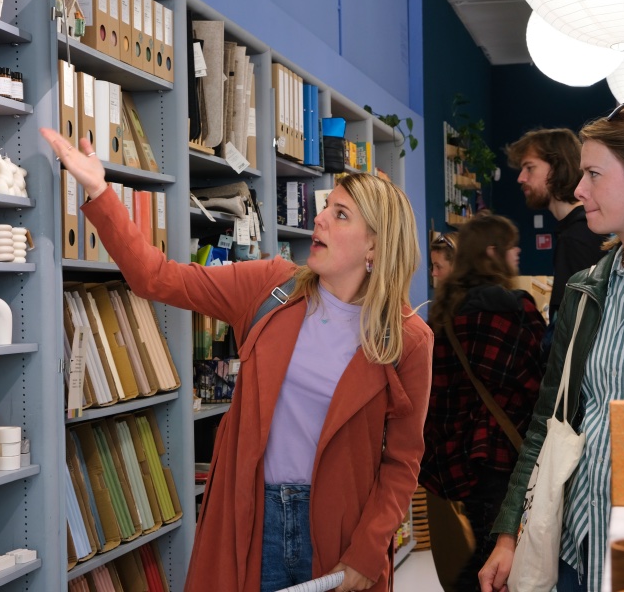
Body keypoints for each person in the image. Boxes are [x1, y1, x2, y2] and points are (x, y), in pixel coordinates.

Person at [40, 128, 434, 592]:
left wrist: (369, 549)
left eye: (340, 214)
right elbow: (157, 278)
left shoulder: (407, 340)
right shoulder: (272, 286)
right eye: (326, 207)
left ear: (374, 246)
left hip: (339, 532)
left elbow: (402, 462)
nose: (320, 220)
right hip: (250, 514)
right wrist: (100, 191)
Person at [479, 104, 624, 592]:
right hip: (575, 545)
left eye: (594, 173)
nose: (578, 189)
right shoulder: (586, 290)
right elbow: (549, 419)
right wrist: (510, 533)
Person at [420, 214, 546, 592]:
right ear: (494, 252)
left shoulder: (442, 317)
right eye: (512, 246)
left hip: (460, 461)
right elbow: (540, 381)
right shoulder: (516, 309)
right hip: (507, 456)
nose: (518, 252)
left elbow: (435, 395)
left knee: (484, 555)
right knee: (499, 563)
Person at [506, 128, 607, 322]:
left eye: (529, 168)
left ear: (557, 167)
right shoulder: (580, 228)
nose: (521, 178)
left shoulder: (578, 236)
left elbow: (573, 325)